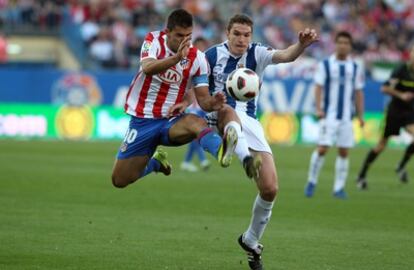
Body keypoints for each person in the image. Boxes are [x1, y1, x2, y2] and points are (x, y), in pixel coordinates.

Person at [205, 14, 318, 270]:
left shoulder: (258, 53)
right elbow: (197, 86)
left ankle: (251, 240)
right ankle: (245, 157)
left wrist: (301, 45)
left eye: (246, 34)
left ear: (251, 36)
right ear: (227, 33)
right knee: (227, 112)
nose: (242, 39)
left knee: (270, 188)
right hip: (220, 116)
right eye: (237, 34)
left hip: (250, 121)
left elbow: (286, 55)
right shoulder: (211, 56)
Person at [111, 9, 238, 188]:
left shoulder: (198, 59)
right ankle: (156, 163)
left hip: (170, 120)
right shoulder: (153, 40)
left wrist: (212, 103)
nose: (184, 40)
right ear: (167, 32)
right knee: (119, 180)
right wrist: (177, 58)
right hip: (142, 121)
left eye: (189, 35)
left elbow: (203, 101)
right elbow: (147, 67)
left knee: (195, 122)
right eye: (179, 35)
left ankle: (221, 150)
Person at [304, 31, 365, 199]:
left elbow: (359, 92)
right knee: (323, 148)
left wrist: (360, 115)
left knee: (344, 151)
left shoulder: (355, 67)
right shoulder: (325, 65)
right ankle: (311, 181)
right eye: (340, 42)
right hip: (328, 116)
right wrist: (318, 108)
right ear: (335, 44)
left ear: (350, 46)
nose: (343, 45)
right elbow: (318, 87)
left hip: (347, 117)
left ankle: (338, 188)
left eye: (346, 43)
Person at [356, 45, 414, 189]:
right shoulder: (401, 69)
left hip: (410, 112)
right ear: (411, 55)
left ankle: (401, 166)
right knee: (381, 145)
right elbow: (384, 88)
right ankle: (361, 175)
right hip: (394, 111)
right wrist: (401, 95)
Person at [181, 37, 211, 172]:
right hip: (192, 105)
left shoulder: (205, 62)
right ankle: (203, 160)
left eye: (203, 46)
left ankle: (187, 162)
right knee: (197, 133)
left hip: (202, 105)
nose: (201, 49)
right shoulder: (187, 61)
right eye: (198, 46)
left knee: (198, 134)